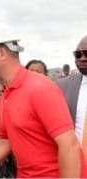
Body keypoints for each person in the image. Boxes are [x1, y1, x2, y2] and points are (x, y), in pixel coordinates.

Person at [0, 39, 84, 177]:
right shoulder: (4, 98)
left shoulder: (40, 88)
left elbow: (69, 145)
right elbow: (5, 142)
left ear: (1, 53)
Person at [56, 35, 87, 163]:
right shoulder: (62, 85)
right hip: (75, 164)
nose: (83, 58)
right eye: (78, 55)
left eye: (86, 53)